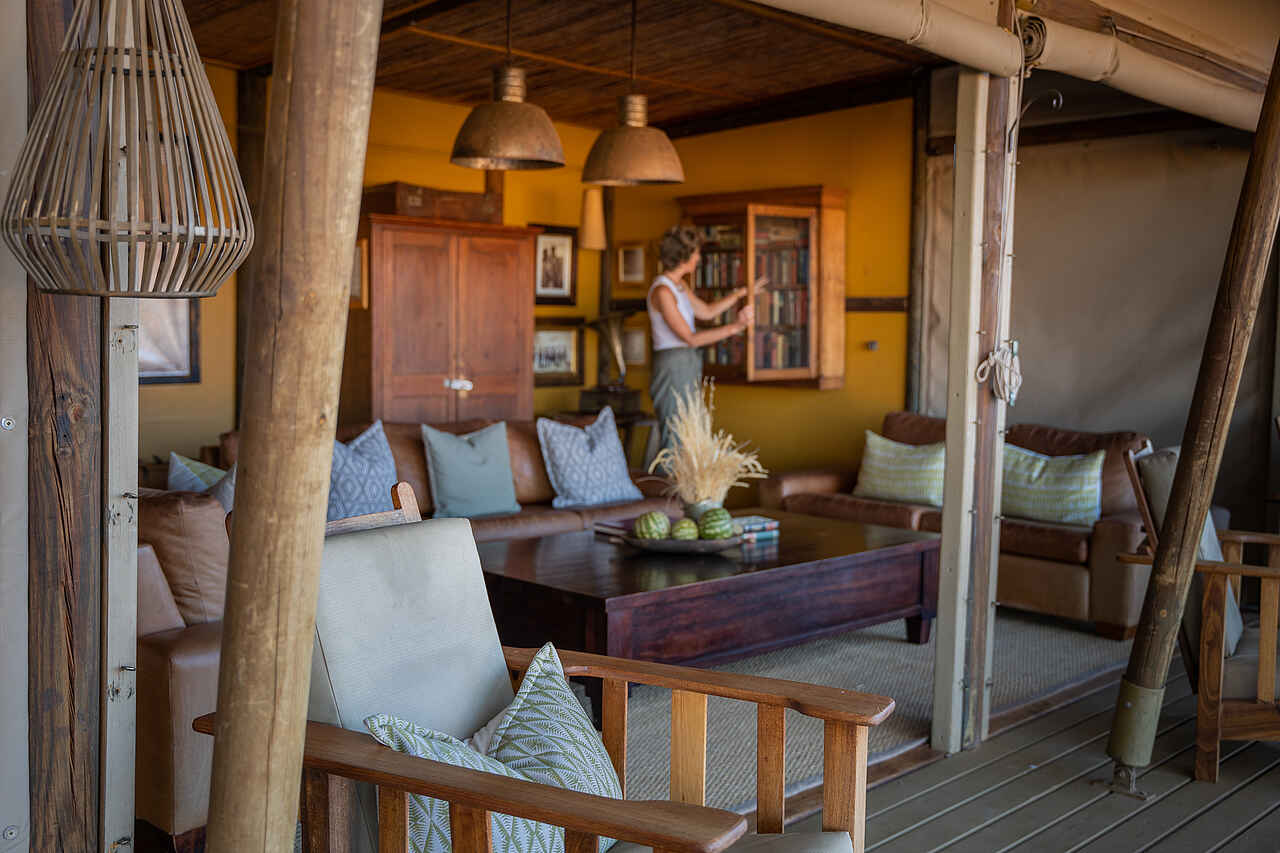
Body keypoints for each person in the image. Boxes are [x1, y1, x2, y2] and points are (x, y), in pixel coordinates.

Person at [647, 225, 755, 457]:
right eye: (696, 253)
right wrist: (735, 327)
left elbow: (706, 312)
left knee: (689, 434)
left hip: (687, 363)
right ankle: (666, 480)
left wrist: (740, 294)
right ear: (683, 257)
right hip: (672, 365)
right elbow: (690, 338)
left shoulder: (679, 285)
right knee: (675, 437)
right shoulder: (662, 292)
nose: (698, 258)